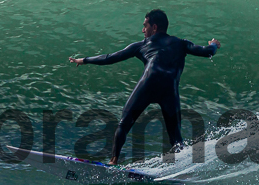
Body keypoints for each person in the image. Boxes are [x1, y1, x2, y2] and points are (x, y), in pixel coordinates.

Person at [69, 9, 221, 165]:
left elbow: (110, 58)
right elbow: (207, 52)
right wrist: (214, 45)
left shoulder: (142, 45)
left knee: (124, 123)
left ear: (154, 27)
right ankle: (183, 167)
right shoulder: (181, 43)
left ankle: (113, 161)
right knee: (175, 137)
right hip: (169, 89)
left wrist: (84, 60)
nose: (143, 30)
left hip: (149, 83)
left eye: (145, 26)